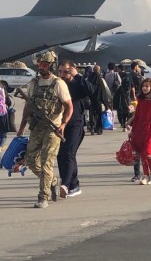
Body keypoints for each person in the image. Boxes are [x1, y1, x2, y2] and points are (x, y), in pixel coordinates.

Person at [16, 51, 73, 209]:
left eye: (45, 64)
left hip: (53, 129)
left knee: (47, 162)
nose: (42, 67)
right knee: (31, 161)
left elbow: (69, 106)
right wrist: (21, 128)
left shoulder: (58, 84)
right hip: (36, 126)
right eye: (40, 64)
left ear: (52, 65)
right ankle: (52, 181)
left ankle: (43, 197)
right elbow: (28, 107)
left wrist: (63, 124)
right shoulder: (33, 83)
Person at [57, 60, 94, 199]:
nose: (62, 74)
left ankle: (65, 185)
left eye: (65, 71)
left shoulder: (77, 83)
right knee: (61, 155)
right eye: (60, 71)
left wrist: (78, 75)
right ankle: (74, 185)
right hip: (60, 124)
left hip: (75, 124)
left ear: (72, 70)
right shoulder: (58, 84)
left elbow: (91, 90)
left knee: (68, 154)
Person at [126, 79, 151, 185]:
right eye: (143, 86)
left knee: (148, 152)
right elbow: (137, 117)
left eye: (147, 86)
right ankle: (145, 175)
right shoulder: (141, 101)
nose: (145, 88)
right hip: (140, 129)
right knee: (142, 153)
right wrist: (133, 131)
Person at [113, 65, 133, 131]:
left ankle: (123, 124)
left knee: (121, 110)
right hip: (127, 96)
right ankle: (127, 124)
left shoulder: (117, 76)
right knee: (127, 110)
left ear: (120, 69)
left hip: (120, 96)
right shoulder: (128, 76)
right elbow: (132, 86)